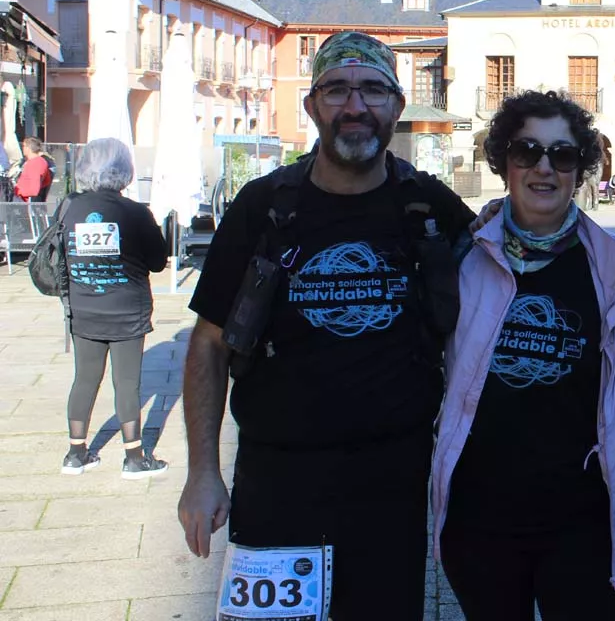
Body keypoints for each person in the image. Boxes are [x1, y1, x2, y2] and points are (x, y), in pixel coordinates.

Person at [177, 31, 476, 619]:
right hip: (277, 476)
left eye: (372, 90)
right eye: (337, 90)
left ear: (396, 106)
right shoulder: (262, 207)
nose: (355, 106)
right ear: (312, 106)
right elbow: (209, 343)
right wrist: (203, 472)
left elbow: (511, 276)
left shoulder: (429, 207)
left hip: (393, 481)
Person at [432, 90, 615, 621]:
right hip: (481, 517)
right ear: (504, 162)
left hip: (580, 522)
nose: (544, 167)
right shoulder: (463, 257)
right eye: (527, 151)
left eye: (562, 155)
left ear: (580, 169)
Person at [58, 138, 169, 478]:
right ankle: (134, 458)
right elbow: (156, 261)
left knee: (85, 379)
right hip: (127, 311)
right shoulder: (135, 213)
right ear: (125, 171)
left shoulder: (67, 207)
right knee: (127, 382)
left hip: (83, 308)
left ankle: (76, 453)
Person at [14, 137, 54, 202]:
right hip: (24, 201)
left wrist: (18, 192)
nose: (22, 148)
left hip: (27, 204)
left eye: (23, 146)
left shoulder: (36, 163)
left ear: (28, 148)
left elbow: (33, 190)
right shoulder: (33, 162)